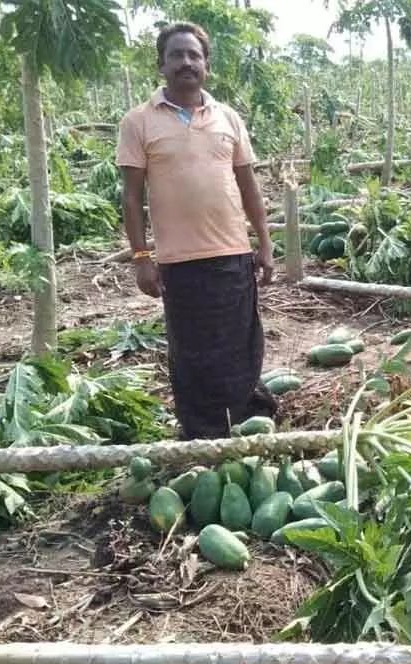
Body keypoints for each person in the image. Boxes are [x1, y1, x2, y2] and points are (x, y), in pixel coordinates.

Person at [116, 21, 278, 440]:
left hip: (232, 252)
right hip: (179, 261)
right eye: (177, 55)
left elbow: (248, 185)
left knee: (241, 343)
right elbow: (132, 198)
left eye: (194, 55)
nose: (186, 62)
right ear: (161, 64)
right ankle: (202, 434)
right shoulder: (138, 122)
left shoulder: (228, 118)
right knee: (192, 352)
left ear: (206, 65)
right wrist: (140, 258)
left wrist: (264, 242)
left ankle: (245, 419)